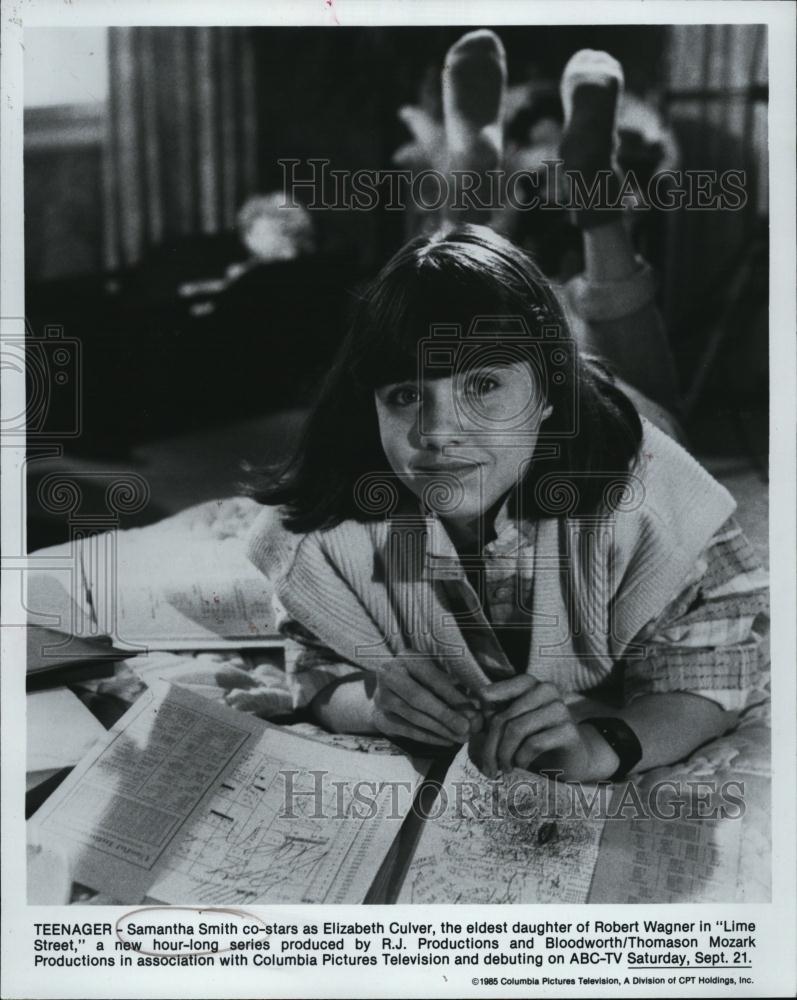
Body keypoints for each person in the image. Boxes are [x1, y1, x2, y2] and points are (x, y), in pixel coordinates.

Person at [245, 44, 769, 784]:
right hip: (531, 379)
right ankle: (500, 172)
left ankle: (568, 191)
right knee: (438, 299)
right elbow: (316, 656)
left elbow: (714, 660)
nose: (434, 432)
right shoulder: (355, 504)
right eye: (401, 396)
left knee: (652, 393)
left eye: (478, 390)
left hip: (609, 415)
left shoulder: (645, 489)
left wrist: (601, 745)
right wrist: (370, 703)